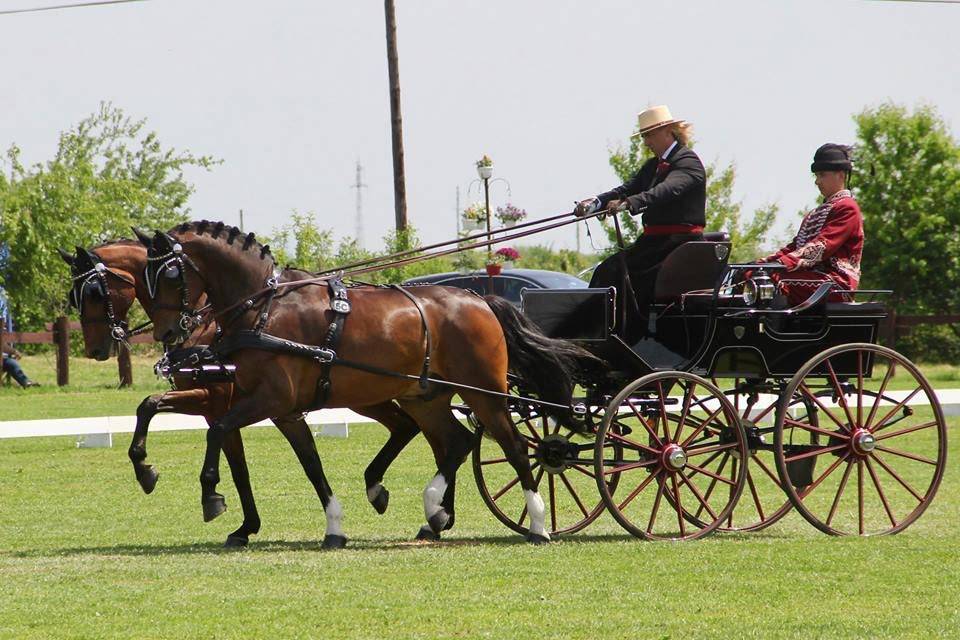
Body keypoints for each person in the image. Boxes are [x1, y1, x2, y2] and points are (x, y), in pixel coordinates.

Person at [574, 104, 706, 331]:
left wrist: (629, 204)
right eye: (644, 136)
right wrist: (594, 203)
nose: (646, 142)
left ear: (668, 131)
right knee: (607, 270)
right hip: (653, 245)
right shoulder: (653, 166)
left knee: (622, 275)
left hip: (678, 244)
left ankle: (627, 331)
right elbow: (626, 189)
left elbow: (667, 190)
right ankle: (600, 331)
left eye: (649, 135)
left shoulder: (688, 162)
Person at [758, 143, 863, 305]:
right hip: (812, 277)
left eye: (822, 175)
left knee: (770, 280)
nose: (817, 181)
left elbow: (821, 247)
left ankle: (768, 328)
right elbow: (796, 247)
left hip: (835, 283)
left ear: (841, 175)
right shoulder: (816, 213)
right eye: (816, 176)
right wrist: (762, 263)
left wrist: (780, 265)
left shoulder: (847, 208)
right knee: (751, 274)